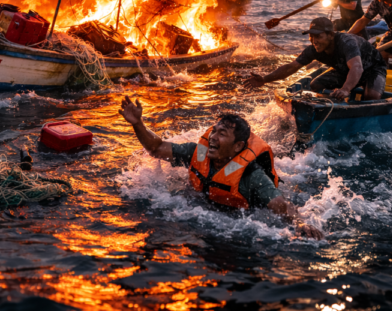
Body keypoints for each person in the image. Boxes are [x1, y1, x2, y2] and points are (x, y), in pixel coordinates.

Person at [118, 96, 323, 240]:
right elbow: (157, 148)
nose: (213, 137)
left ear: (237, 147)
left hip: (237, 221)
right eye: (214, 131)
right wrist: (138, 124)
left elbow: (281, 205)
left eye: (222, 134)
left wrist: (301, 224)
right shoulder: (197, 153)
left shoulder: (252, 176)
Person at [244, 17, 387, 101]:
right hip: (345, 71)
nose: (314, 40)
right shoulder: (314, 49)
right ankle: (331, 107)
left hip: (372, 69)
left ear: (331, 35)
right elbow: (291, 67)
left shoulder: (346, 42)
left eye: (318, 36)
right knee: (315, 84)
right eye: (311, 36)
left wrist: (345, 89)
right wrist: (265, 79)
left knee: (372, 96)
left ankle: (351, 98)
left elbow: (357, 67)